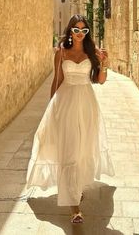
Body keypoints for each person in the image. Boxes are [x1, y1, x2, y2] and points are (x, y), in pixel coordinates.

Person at [26, 14, 114, 224]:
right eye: (76, 30)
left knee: (83, 148)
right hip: (64, 103)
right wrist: (51, 108)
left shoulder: (92, 52)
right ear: (70, 31)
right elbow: (57, 80)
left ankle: (76, 187)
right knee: (69, 149)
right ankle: (74, 207)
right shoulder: (61, 53)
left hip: (86, 105)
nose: (80, 34)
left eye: (84, 30)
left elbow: (100, 81)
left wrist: (104, 63)